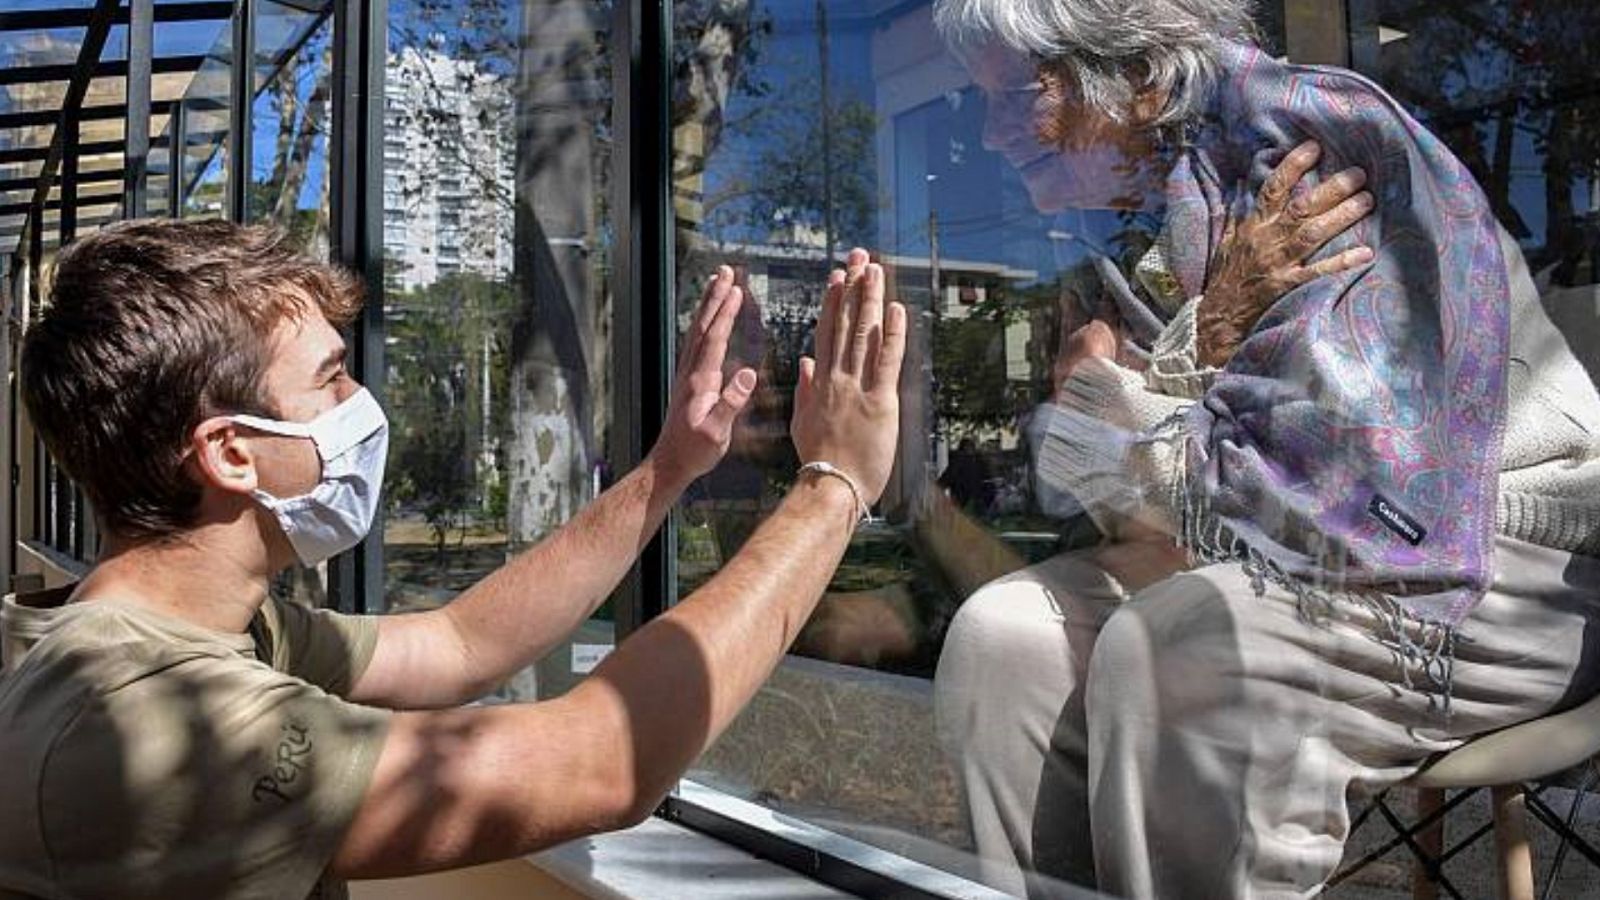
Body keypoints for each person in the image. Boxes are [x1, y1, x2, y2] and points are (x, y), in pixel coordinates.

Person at [0, 220, 905, 900]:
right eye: (331, 376)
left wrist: (669, 469)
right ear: (232, 453)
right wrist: (835, 485)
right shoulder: (152, 724)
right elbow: (602, 765)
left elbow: (457, 644)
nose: (362, 401)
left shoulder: (188, 627)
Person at [927, 1, 1600, 897]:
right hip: (1302, 557)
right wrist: (1180, 366)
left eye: (1017, 92)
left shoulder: (1309, 151)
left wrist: (1128, 401)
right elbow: (1125, 491)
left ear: (1139, 77)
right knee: (1001, 641)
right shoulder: (1171, 211)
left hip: (1486, 562)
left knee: (1181, 652)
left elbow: (1314, 486)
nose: (992, 130)